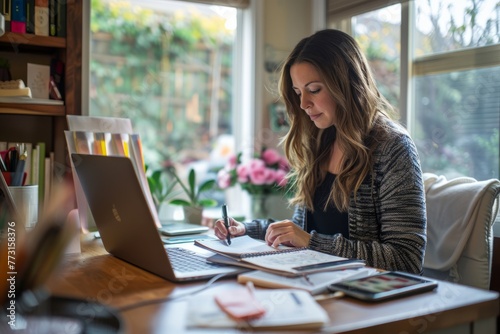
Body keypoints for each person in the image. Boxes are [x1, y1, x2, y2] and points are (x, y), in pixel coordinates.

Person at [214, 29, 427, 274]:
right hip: (320, 285)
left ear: (347, 84)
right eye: (298, 93)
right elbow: (299, 230)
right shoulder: (320, 140)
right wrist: (246, 229)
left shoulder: (393, 147)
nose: (303, 104)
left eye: (314, 90)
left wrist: (311, 242)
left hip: (365, 299)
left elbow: (406, 258)